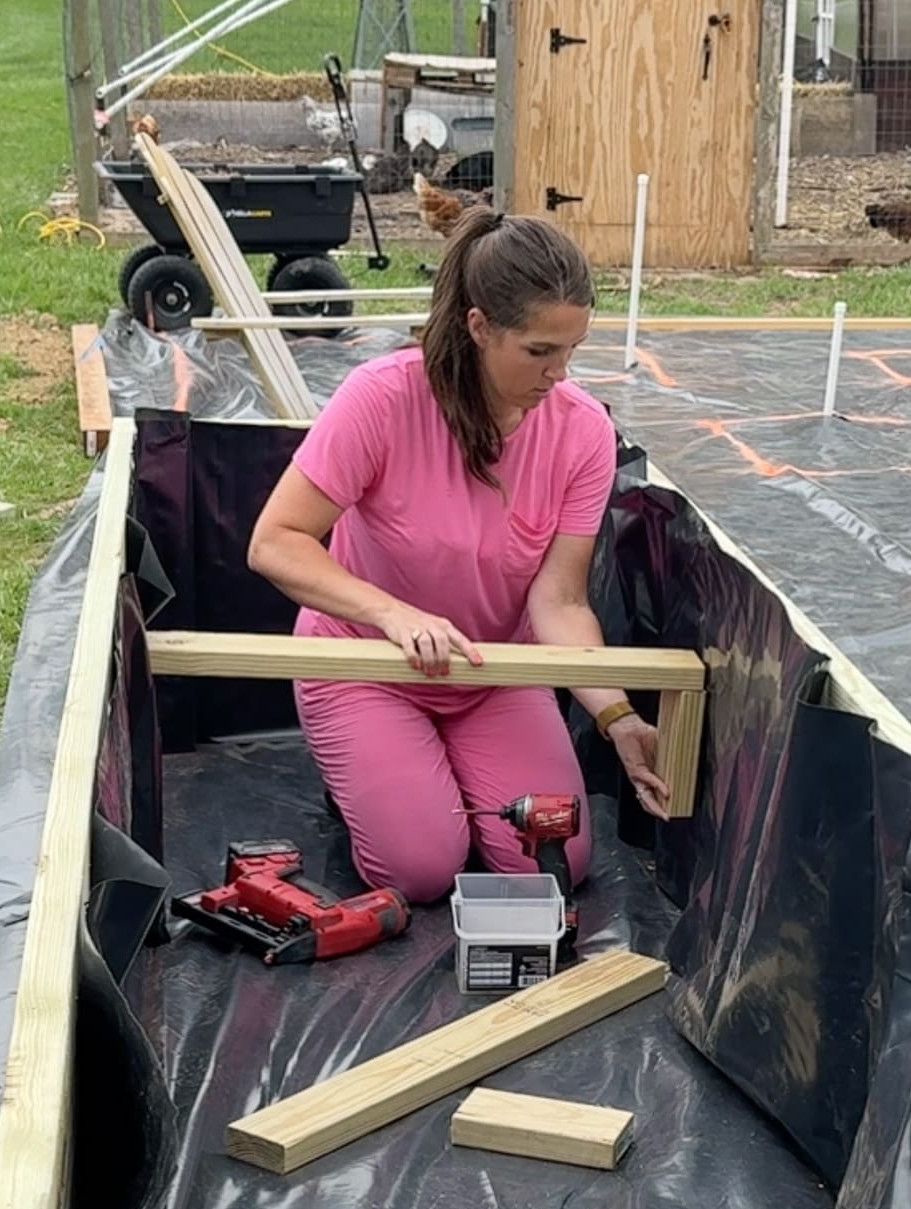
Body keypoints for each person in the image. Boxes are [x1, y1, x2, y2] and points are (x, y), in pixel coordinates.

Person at [246, 208, 669, 904]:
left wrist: (616, 716)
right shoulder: (382, 398)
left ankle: (440, 782)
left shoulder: (583, 431)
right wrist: (391, 614)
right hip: (366, 666)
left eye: (573, 349)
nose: (560, 374)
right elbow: (276, 542)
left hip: (493, 672)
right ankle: (386, 784)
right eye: (539, 352)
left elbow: (559, 601)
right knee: (421, 870)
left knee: (553, 860)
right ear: (479, 328)